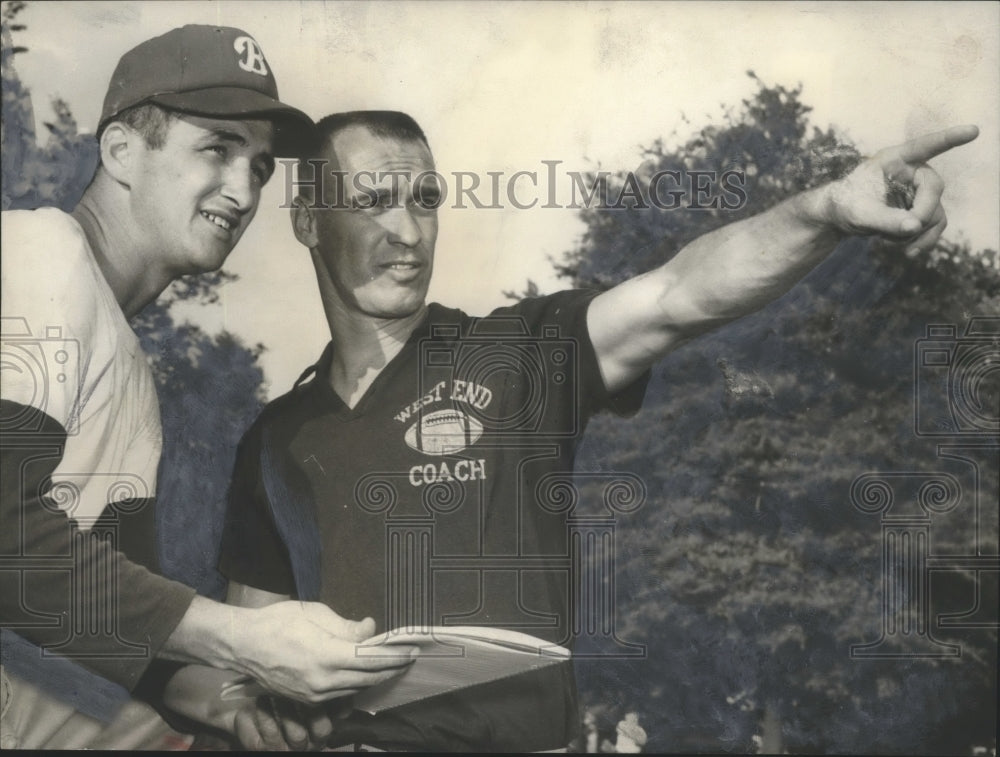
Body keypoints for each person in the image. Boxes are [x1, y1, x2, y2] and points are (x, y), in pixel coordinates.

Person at [173, 111, 978, 751]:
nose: (409, 232)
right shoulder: (275, 440)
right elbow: (249, 654)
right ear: (310, 220)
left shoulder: (519, 354)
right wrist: (260, 717)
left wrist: (824, 209)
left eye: (424, 201)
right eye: (373, 201)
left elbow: (679, 293)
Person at [0, 31, 414, 751]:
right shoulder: (40, 252)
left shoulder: (124, 361)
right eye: (216, 149)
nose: (244, 189)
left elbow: (113, 624)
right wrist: (240, 634)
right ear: (122, 151)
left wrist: (229, 707)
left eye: (258, 167)